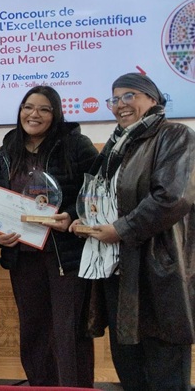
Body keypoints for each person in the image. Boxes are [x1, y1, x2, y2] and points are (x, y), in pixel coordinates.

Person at [71, 73, 195, 391]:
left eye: (130, 96)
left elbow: (172, 197)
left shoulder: (175, 135)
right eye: (115, 99)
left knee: (163, 362)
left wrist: (122, 229)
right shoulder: (117, 145)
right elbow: (101, 195)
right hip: (117, 268)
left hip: (157, 269)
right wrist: (78, 218)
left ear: (152, 99)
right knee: (128, 362)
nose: (121, 105)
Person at [0, 86, 97, 387]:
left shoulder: (76, 145)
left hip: (65, 255)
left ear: (56, 113)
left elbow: (97, 194)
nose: (33, 114)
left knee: (68, 333)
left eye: (43, 109)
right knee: (34, 331)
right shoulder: (7, 148)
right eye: (27, 107)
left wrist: (74, 218)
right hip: (24, 256)